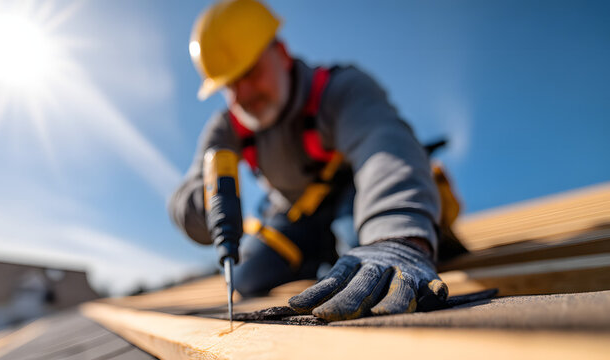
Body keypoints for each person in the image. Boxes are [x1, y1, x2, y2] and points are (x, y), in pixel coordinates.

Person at [168, 0, 464, 321]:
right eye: (229, 84)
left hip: (357, 195)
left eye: (250, 72)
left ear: (281, 53)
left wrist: (398, 236)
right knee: (246, 276)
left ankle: (407, 228)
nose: (242, 94)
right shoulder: (226, 127)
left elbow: (385, 147)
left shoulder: (341, 89)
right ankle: (334, 260)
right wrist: (209, 207)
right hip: (295, 219)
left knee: (369, 252)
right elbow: (185, 195)